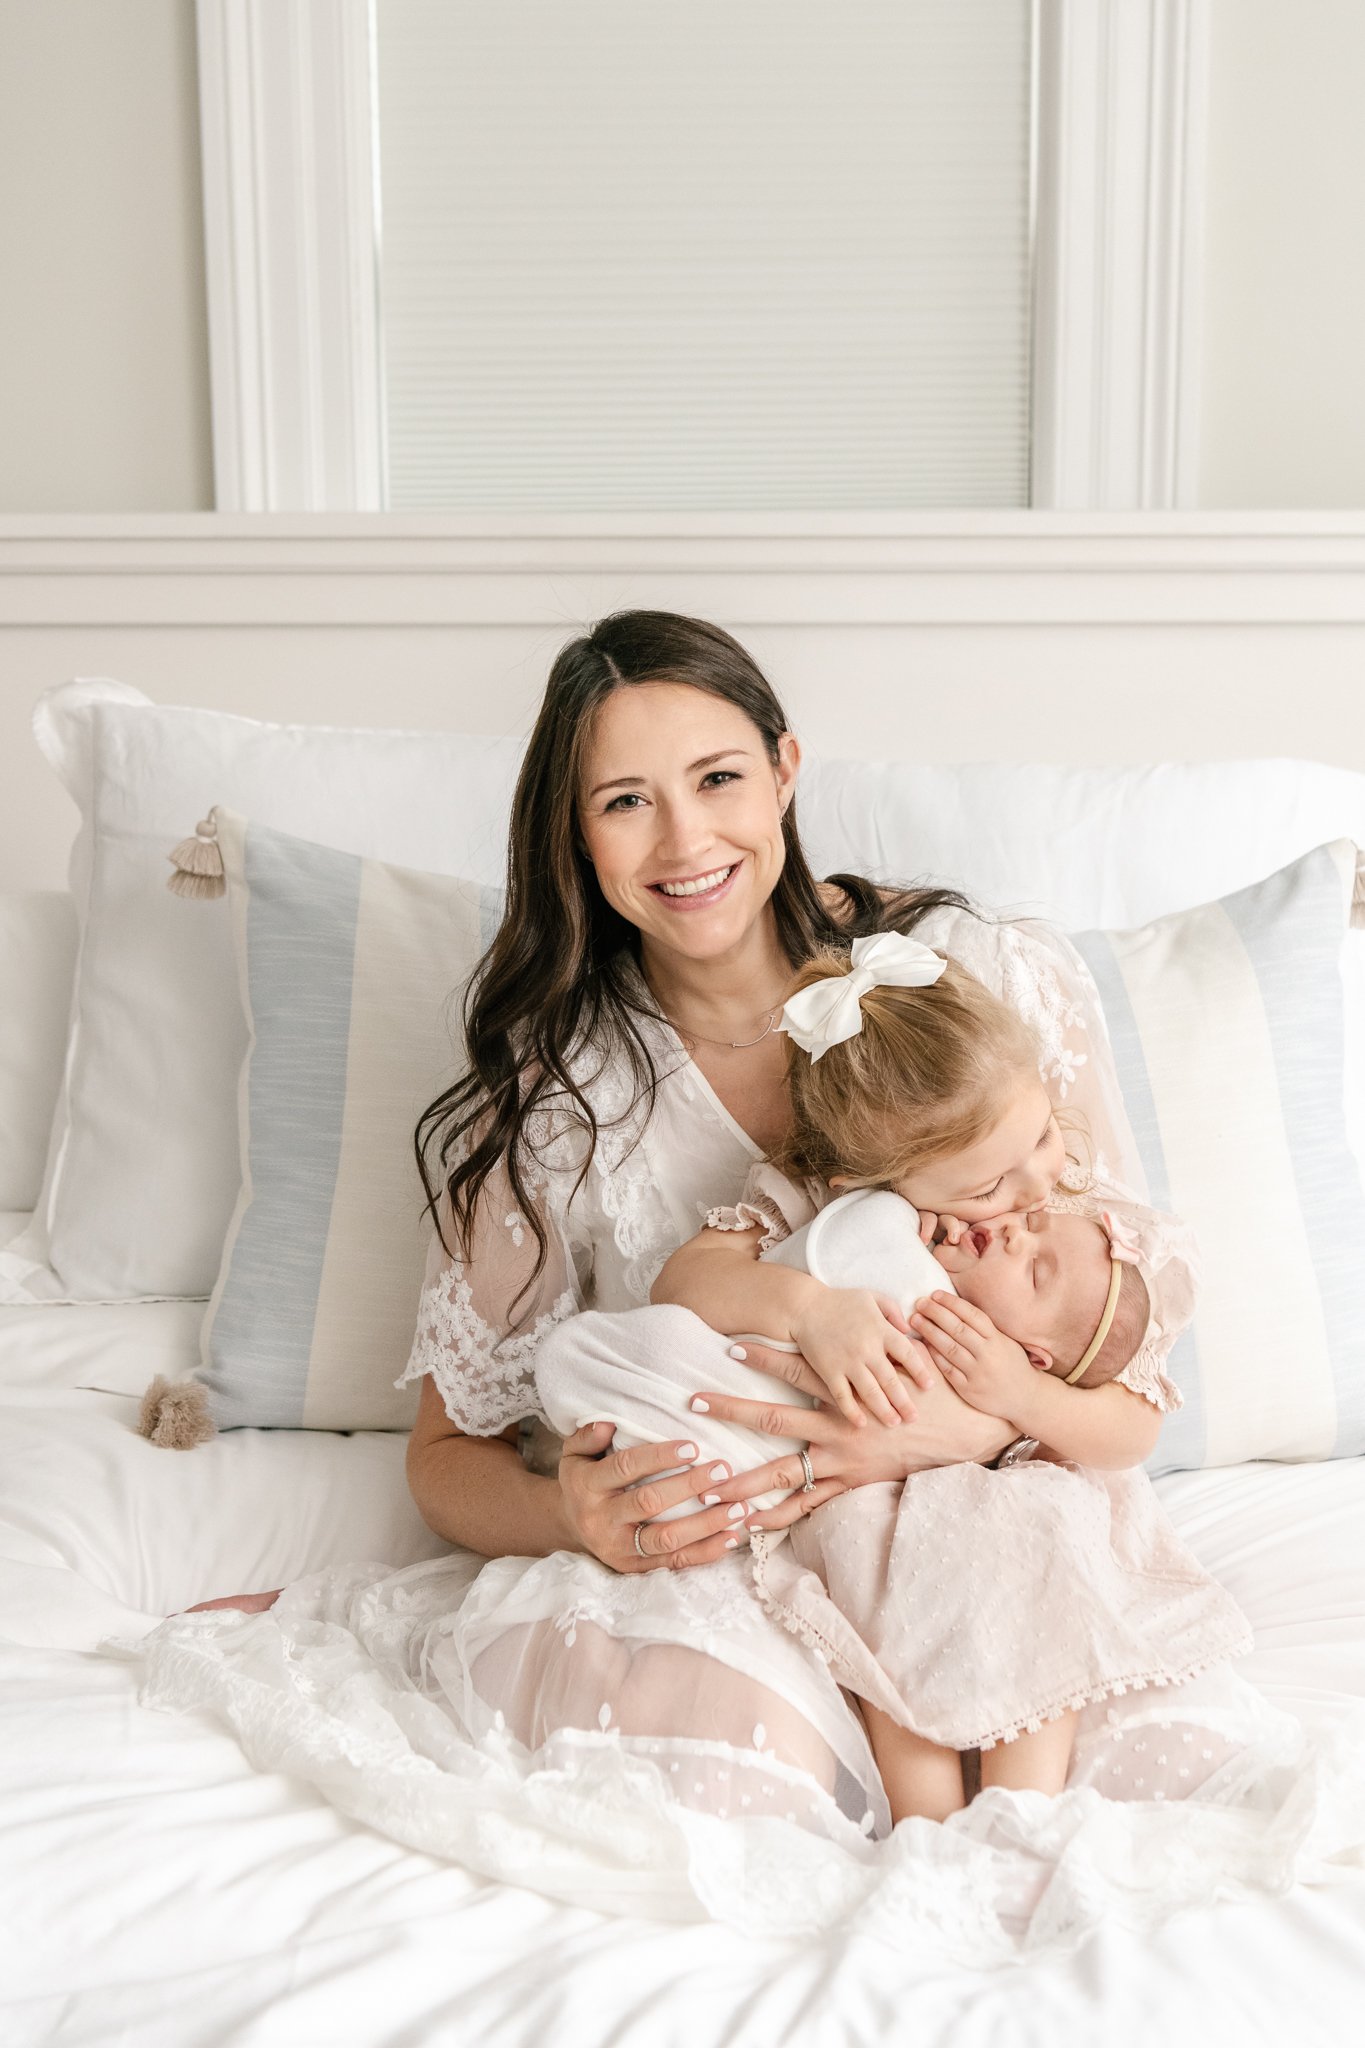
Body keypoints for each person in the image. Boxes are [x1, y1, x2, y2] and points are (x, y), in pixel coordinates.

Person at [137, 611, 1309, 1952]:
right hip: (727, 1552)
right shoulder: (548, 1110)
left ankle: (1011, 1914)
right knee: (729, 1796)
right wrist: (575, 1515)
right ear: (575, 836)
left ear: (785, 771)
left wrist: (971, 1427)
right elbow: (447, 1457)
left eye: (717, 780)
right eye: (625, 802)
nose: (687, 843)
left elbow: (1112, 1318)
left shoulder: (969, 986)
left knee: (1145, 1788)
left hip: (995, 1525)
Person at [531, 937, 1252, 1823]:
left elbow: (1132, 1428)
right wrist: (806, 1310)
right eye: (989, 1183)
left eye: (1040, 1135)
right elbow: (686, 1285)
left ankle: (1022, 1813)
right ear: (871, 1189)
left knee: (1040, 1556)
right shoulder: (820, 1202)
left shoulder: (1062, 1223)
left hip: (1021, 1487)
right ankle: (925, 1826)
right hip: (866, 1496)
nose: (1037, 1187)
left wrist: (1019, 1402)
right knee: (883, 1597)